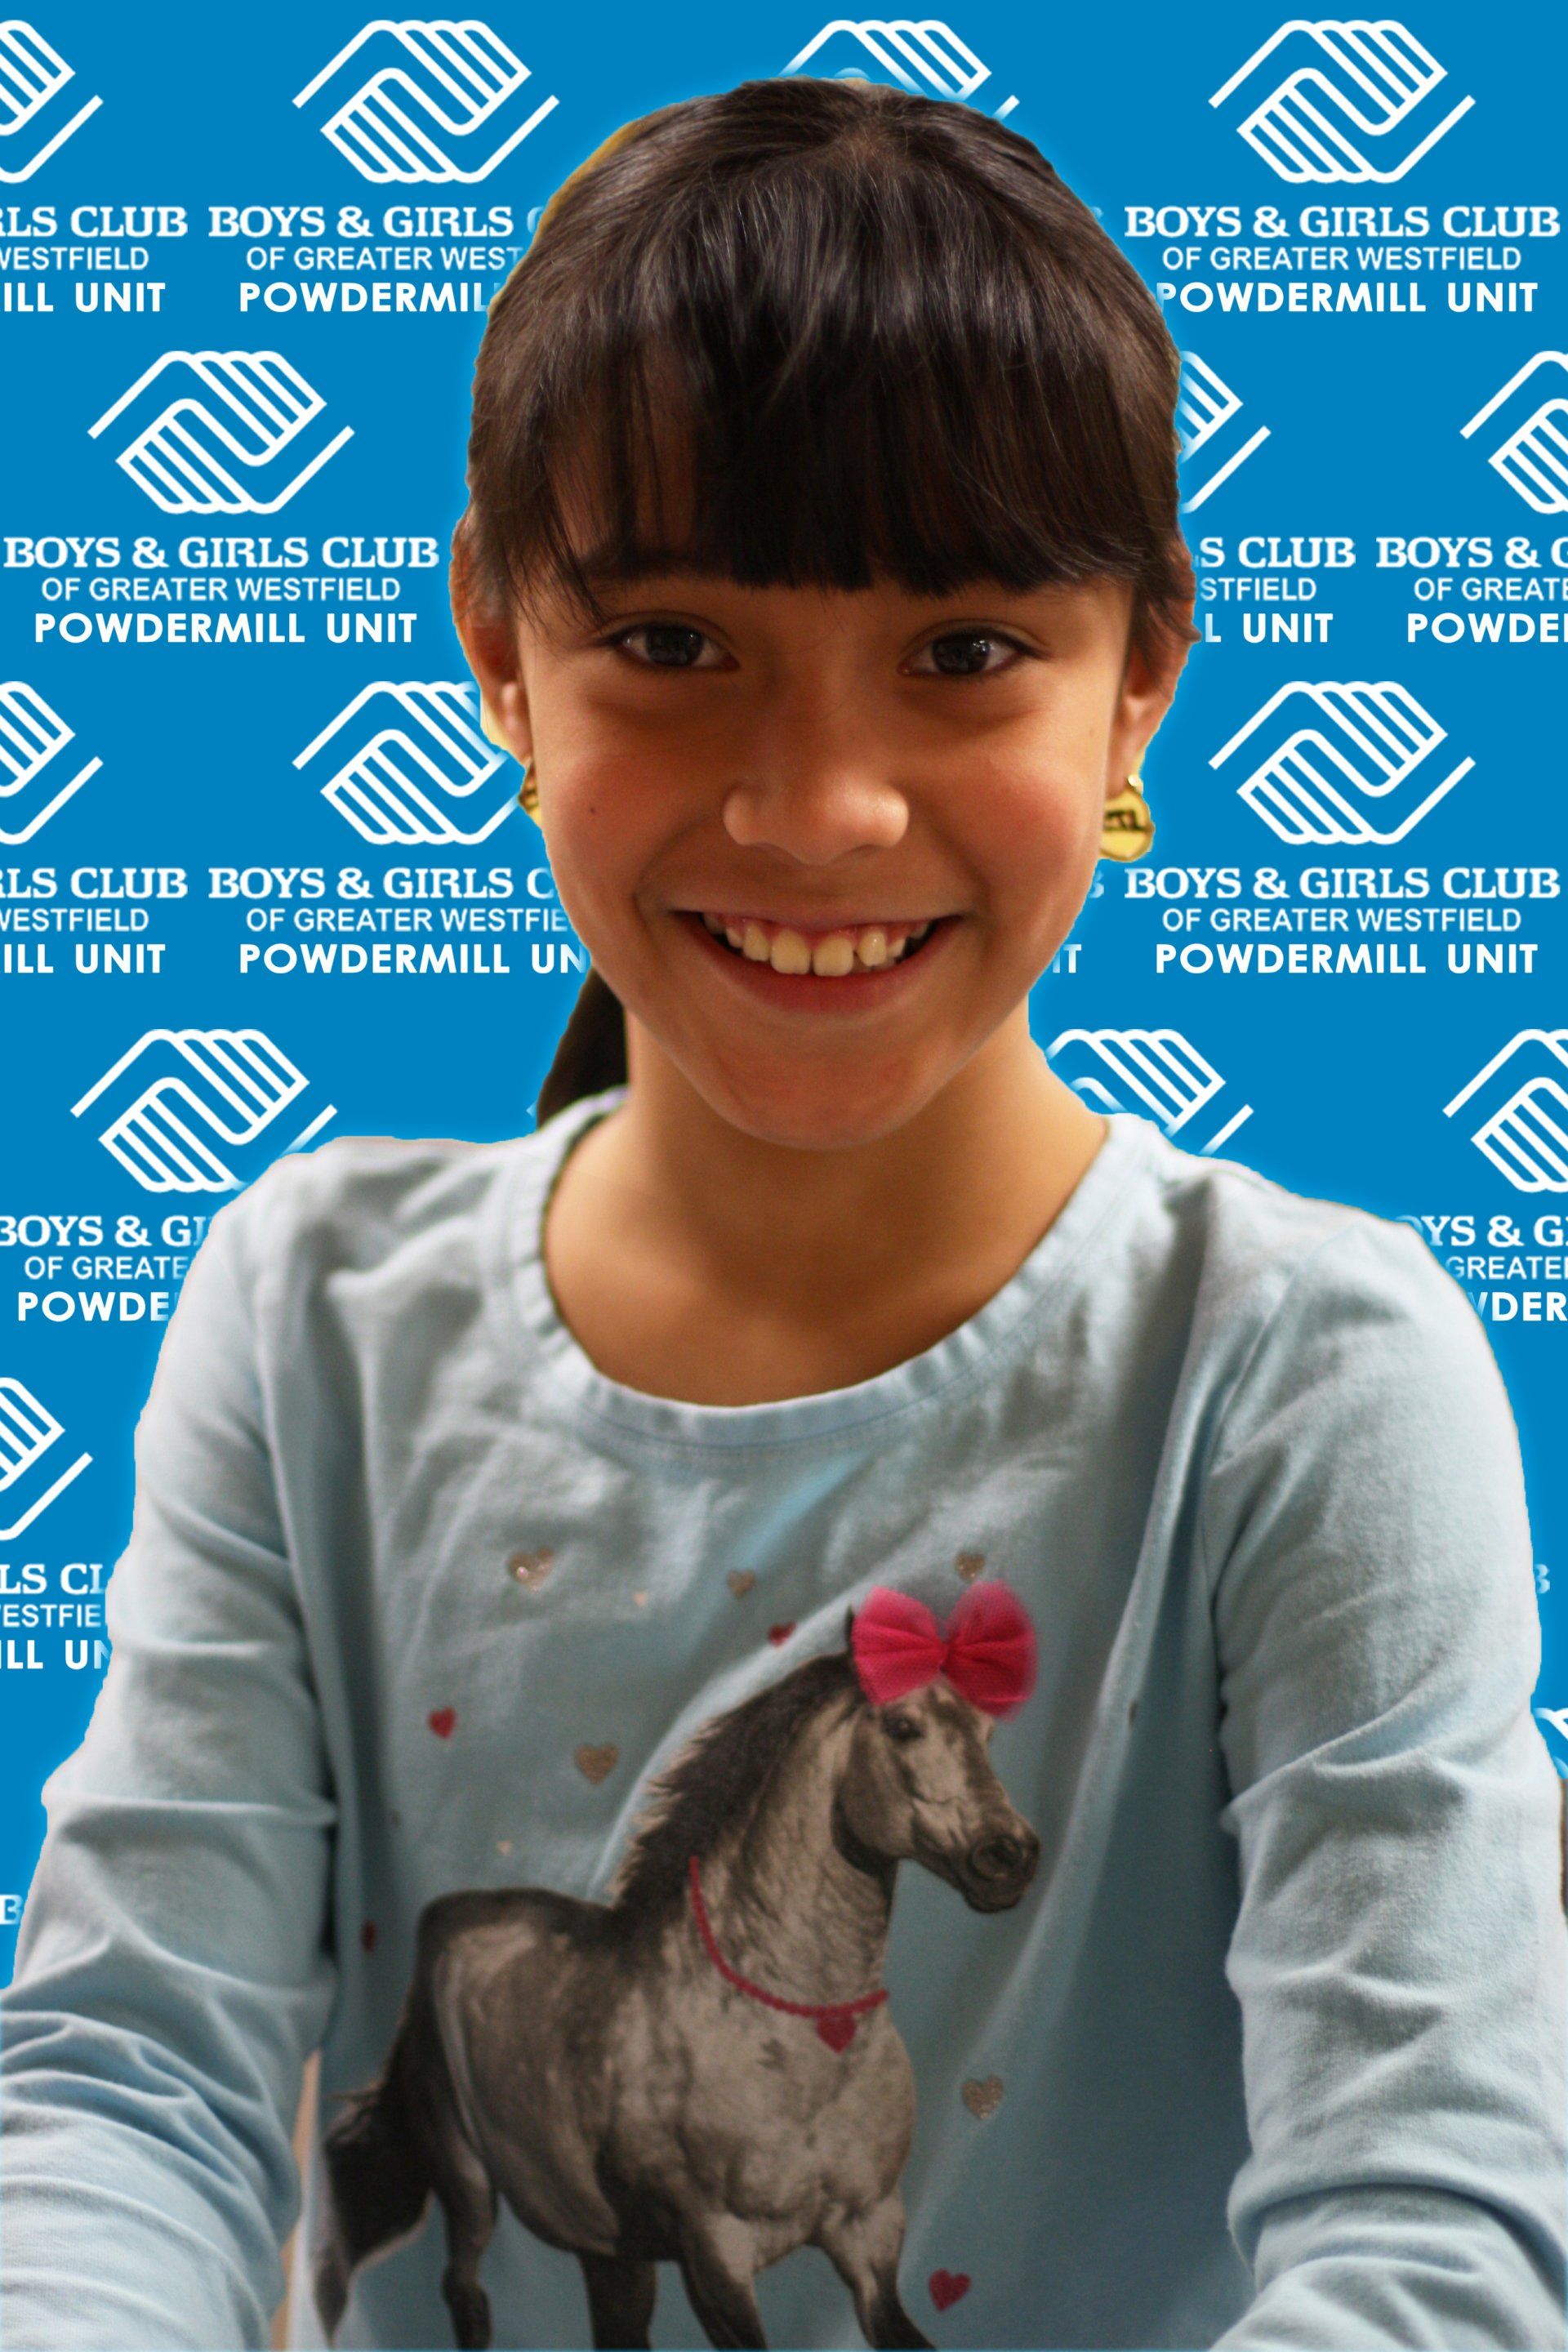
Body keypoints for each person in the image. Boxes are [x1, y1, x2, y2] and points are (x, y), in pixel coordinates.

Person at [2, 74, 1565, 2352]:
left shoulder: (1308, 1373)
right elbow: (137, 2081)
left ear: (1142, 677)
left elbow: (1436, 2226)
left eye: (963, 652)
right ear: (496, 648)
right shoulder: (305, 1311)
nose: (820, 811)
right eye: (671, 642)